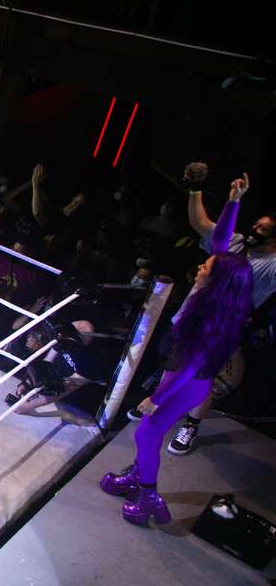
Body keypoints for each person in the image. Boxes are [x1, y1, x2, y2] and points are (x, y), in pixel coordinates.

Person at [100, 174, 254, 526]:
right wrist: (234, 201)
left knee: (147, 431)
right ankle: (137, 478)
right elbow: (219, 242)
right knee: (149, 431)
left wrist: (157, 397)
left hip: (187, 381)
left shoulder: (213, 314)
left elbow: (192, 364)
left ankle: (150, 495)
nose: (201, 266)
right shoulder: (213, 291)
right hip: (180, 374)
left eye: (206, 267)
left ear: (217, 279)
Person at [149, 165, 275, 454]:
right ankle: (157, 406)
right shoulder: (236, 243)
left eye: (264, 231)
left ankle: (190, 426)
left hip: (218, 329)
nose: (255, 231)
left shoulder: (272, 266)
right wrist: (196, 191)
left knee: (200, 378)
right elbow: (203, 225)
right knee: (171, 363)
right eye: (256, 225)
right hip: (189, 316)